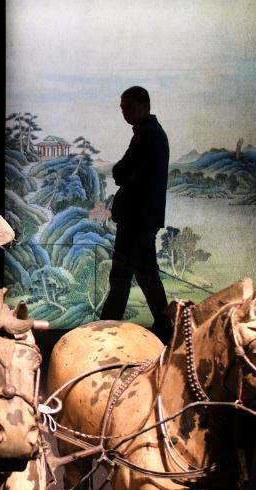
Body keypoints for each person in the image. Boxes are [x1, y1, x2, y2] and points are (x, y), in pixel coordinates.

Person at [100, 85, 173, 342]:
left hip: (136, 220)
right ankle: (165, 329)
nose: (125, 113)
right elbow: (125, 172)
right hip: (143, 219)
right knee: (143, 275)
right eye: (122, 108)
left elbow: (121, 172)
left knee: (125, 276)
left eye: (129, 107)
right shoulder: (151, 133)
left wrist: (122, 172)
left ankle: (106, 329)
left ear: (144, 105)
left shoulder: (147, 135)